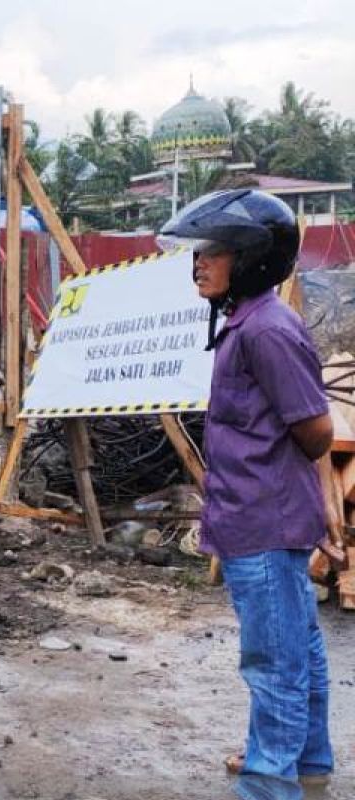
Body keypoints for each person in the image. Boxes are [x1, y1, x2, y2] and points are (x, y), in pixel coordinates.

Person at [161, 189, 334, 800]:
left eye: (215, 252)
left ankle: (269, 784)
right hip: (256, 518)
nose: (199, 263)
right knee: (299, 649)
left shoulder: (267, 330)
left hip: (266, 523)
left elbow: (317, 432)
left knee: (274, 663)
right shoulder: (246, 322)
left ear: (253, 257)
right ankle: (308, 764)